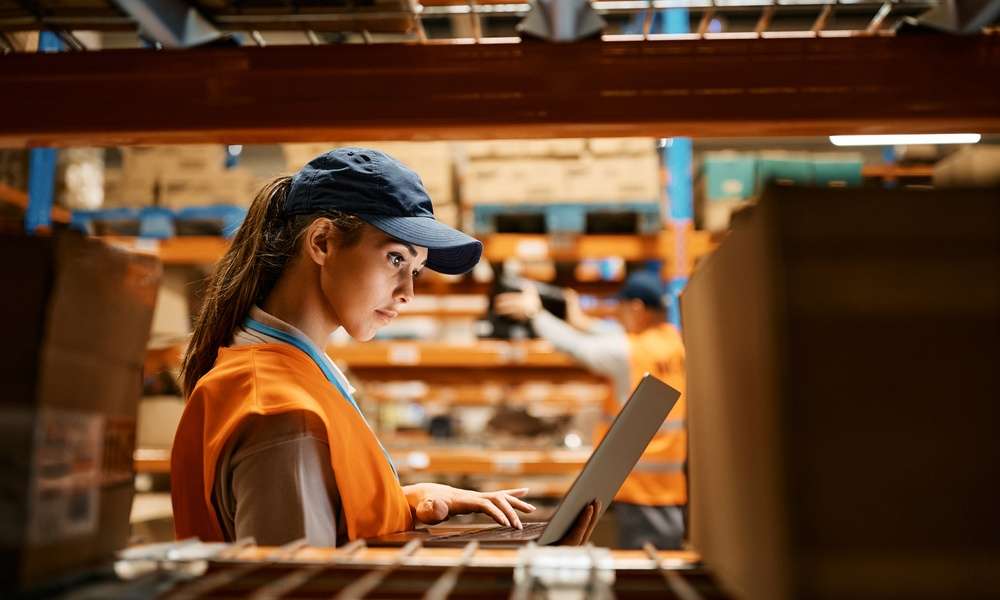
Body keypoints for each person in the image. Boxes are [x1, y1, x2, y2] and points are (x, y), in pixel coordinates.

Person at [170, 148, 598, 547]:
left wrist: (402, 502)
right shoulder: (281, 411)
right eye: (396, 259)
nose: (408, 292)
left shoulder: (291, 380)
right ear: (322, 243)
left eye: (416, 269)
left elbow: (327, 535)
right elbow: (301, 589)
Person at [495, 270, 687, 549]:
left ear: (637, 308)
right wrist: (579, 319)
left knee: (644, 568)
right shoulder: (672, 341)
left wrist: (536, 314)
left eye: (620, 309)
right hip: (667, 481)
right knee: (662, 561)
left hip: (640, 483)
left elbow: (579, 347)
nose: (616, 316)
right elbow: (613, 335)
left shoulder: (630, 351)